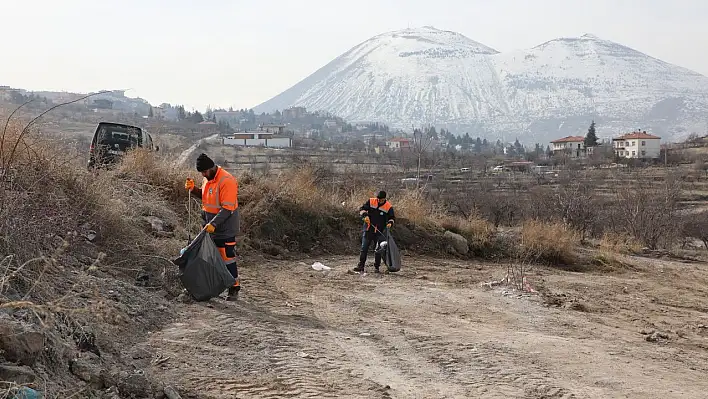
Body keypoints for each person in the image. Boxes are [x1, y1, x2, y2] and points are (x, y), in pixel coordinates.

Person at [185, 153, 241, 301]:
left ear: (211, 168)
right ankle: (214, 287)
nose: (203, 175)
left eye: (204, 172)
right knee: (210, 258)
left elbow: (227, 209)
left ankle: (234, 288)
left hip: (225, 228)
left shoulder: (227, 181)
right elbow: (206, 197)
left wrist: (214, 224)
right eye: (201, 173)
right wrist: (194, 190)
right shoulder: (207, 179)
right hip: (210, 227)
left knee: (227, 258)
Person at [352, 190, 395, 274]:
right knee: (364, 248)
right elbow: (362, 209)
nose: (379, 201)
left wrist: (390, 223)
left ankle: (376, 268)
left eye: (381, 200)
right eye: (378, 199)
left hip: (379, 231)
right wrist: (365, 215)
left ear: (384, 199)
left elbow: (392, 218)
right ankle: (361, 266)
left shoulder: (388, 206)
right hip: (368, 229)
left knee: (378, 250)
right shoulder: (371, 201)